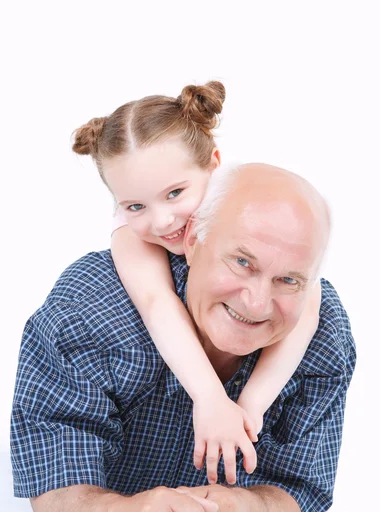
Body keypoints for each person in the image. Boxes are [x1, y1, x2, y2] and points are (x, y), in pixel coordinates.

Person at [10, 161, 356, 512]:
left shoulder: (323, 336)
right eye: (242, 262)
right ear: (192, 239)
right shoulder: (90, 307)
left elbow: (292, 492)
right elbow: (54, 485)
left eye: (289, 280)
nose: (257, 303)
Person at [71, 81, 321, 485]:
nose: (162, 220)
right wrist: (209, 397)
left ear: (213, 164)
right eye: (136, 205)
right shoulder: (132, 236)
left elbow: (310, 302)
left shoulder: (241, 201)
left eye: (175, 193)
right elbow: (157, 305)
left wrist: (251, 407)